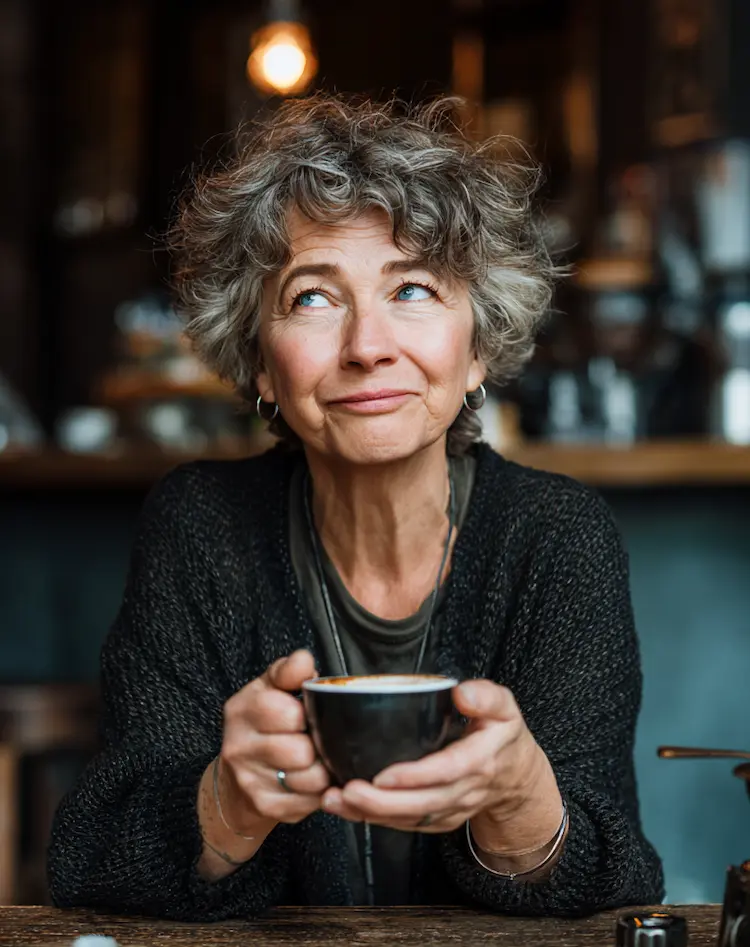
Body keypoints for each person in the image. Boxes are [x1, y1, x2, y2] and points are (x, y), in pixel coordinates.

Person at [48, 95, 663, 919]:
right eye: (312, 297)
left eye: (412, 288)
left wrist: (519, 798)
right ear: (260, 362)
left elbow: (615, 886)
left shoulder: (557, 538)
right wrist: (227, 802)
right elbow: (93, 861)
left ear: (478, 346)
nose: (368, 346)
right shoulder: (201, 527)